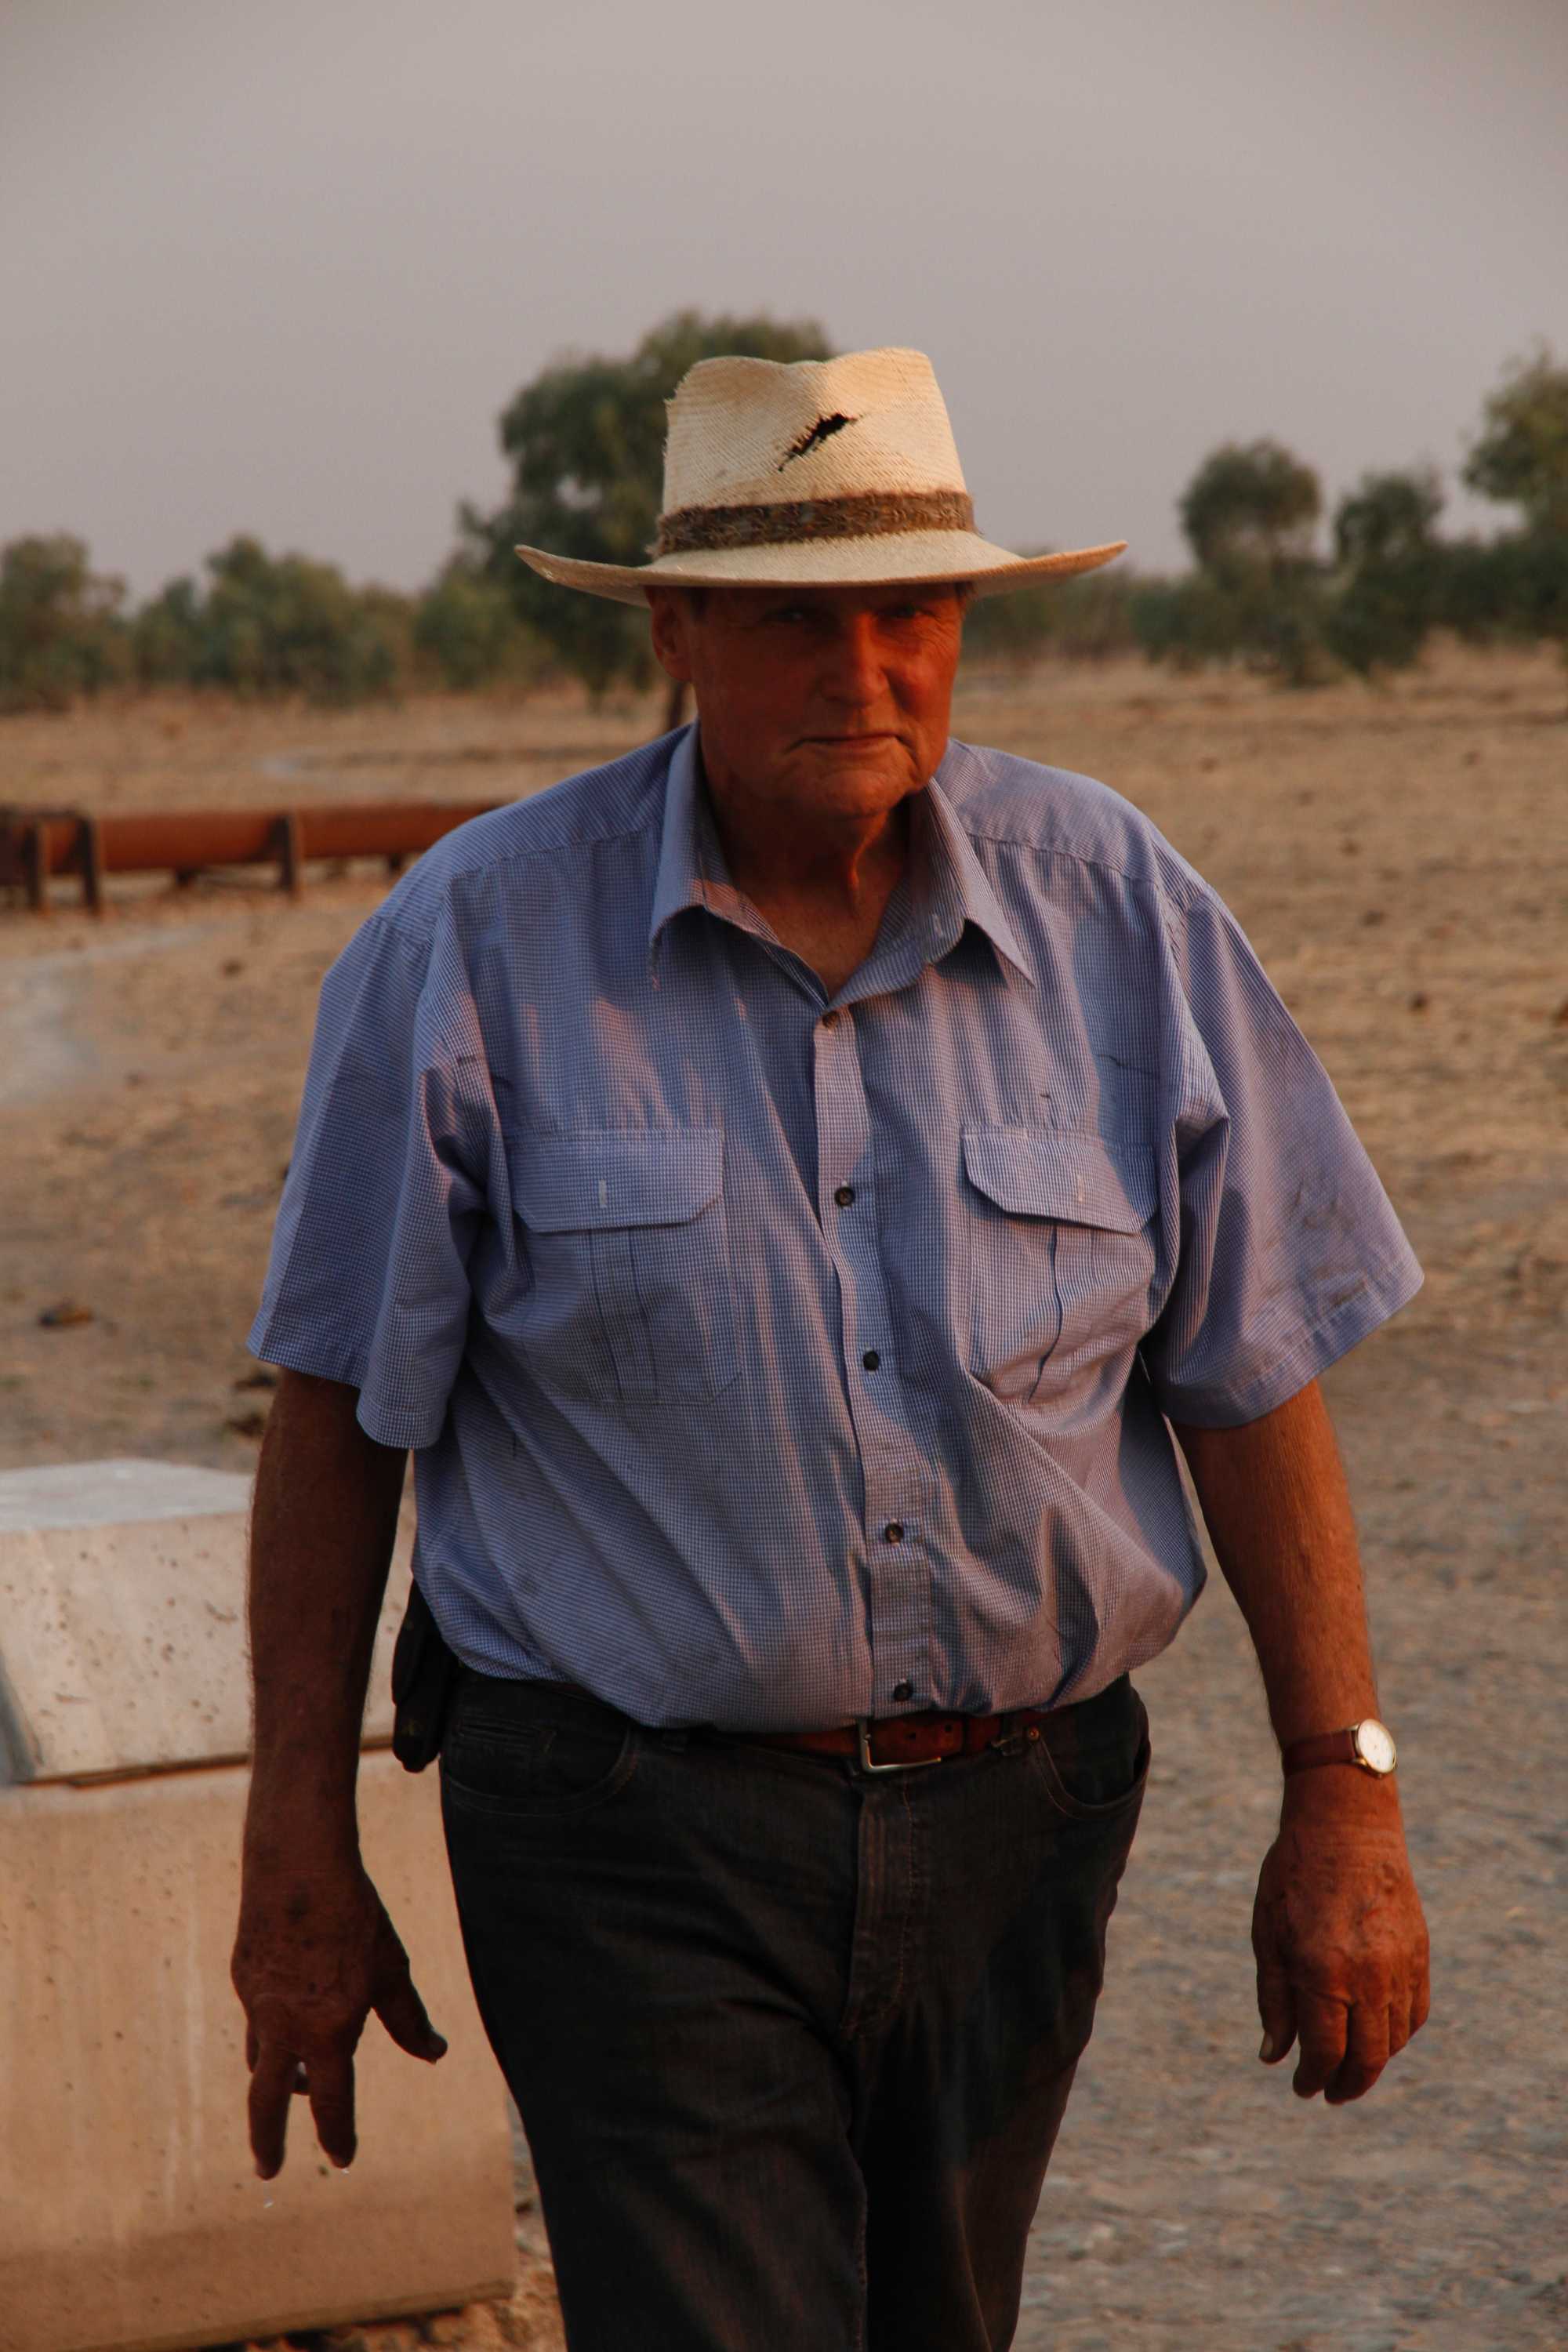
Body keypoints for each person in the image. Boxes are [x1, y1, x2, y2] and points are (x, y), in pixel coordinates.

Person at [232, 347, 1430, 2352]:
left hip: (1027, 1823)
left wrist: (1346, 1790)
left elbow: (1252, 1366)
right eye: (795, 622)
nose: (862, 673)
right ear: (676, 635)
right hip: (625, 1836)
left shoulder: (1118, 910)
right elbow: (343, 1414)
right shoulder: (475, 941)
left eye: (911, 615)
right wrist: (296, 1841)